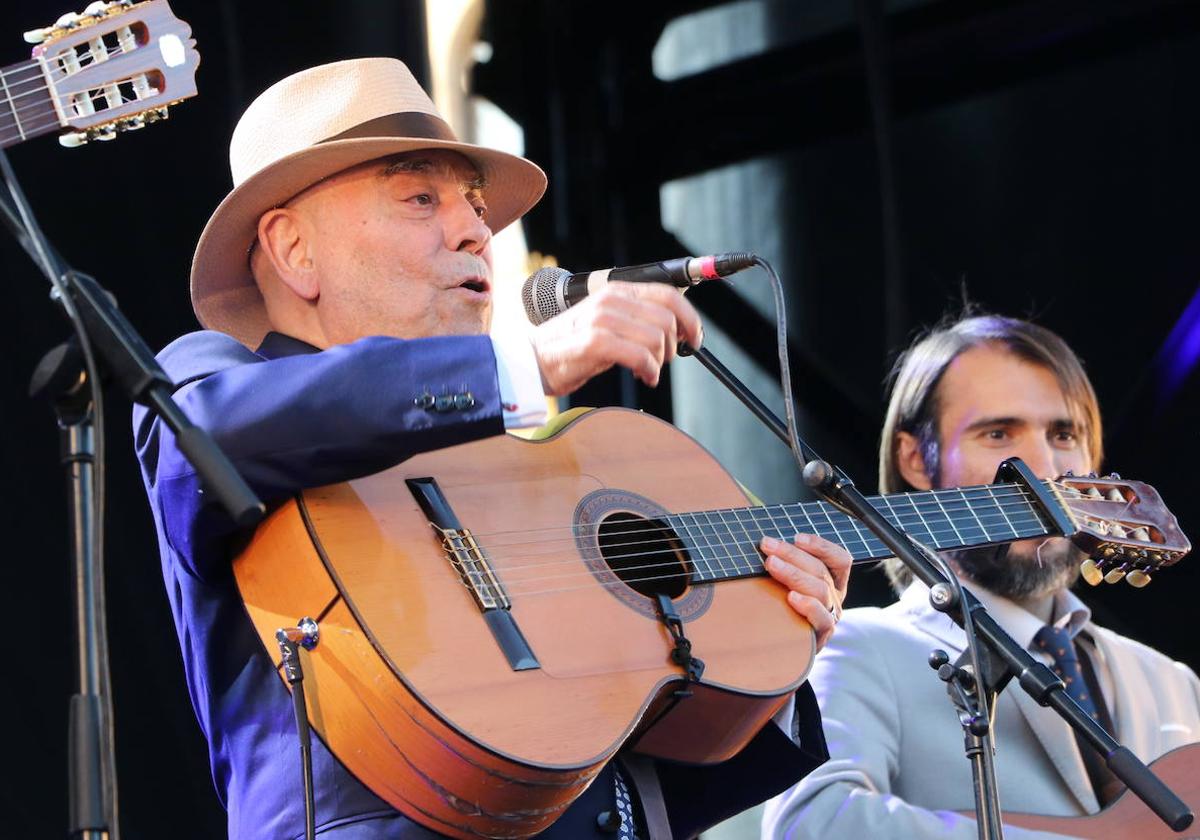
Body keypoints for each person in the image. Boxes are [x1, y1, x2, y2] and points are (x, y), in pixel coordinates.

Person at [132, 58, 852, 840]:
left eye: (475, 205)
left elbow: (620, 774)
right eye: (420, 197)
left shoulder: (513, 464)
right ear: (294, 249)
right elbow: (205, 437)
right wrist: (522, 365)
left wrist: (769, 653)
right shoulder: (217, 379)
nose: (477, 230)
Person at [762, 313, 1200, 839]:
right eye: (998, 433)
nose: (1043, 465)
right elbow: (816, 827)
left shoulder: (1171, 680)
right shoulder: (857, 648)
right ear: (915, 461)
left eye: (1064, 434)